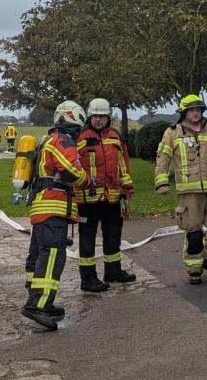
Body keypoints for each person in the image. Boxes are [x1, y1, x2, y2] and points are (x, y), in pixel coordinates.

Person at [22, 101, 92, 331]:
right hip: (54, 207)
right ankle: (37, 305)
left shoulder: (46, 140)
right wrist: (87, 181)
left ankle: (41, 301)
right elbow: (72, 170)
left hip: (42, 206)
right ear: (77, 120)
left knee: (39, 255)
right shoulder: (63, 140)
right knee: (52, 256)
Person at [154, 94, 207, 285]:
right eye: (191, 110)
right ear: (183, 112)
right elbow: (163, 158)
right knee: (194, 234)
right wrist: (162, 182)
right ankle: (194, 269)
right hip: (189, 194)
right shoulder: (173, 133)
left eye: (198, 109)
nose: (195, 113)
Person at [75, 98, 136, 291]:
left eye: (102, 116)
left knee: (113, 235)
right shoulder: (81, 137)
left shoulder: (115, 136)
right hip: (88, 199)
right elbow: (72, 166)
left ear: (108, 117)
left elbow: (123, 164)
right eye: (95, 116)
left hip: (112, 197)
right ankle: (88, 279)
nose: (98, 120)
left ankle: (113, 271)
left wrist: (127, 186)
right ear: (89, 117)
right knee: (87, 240)